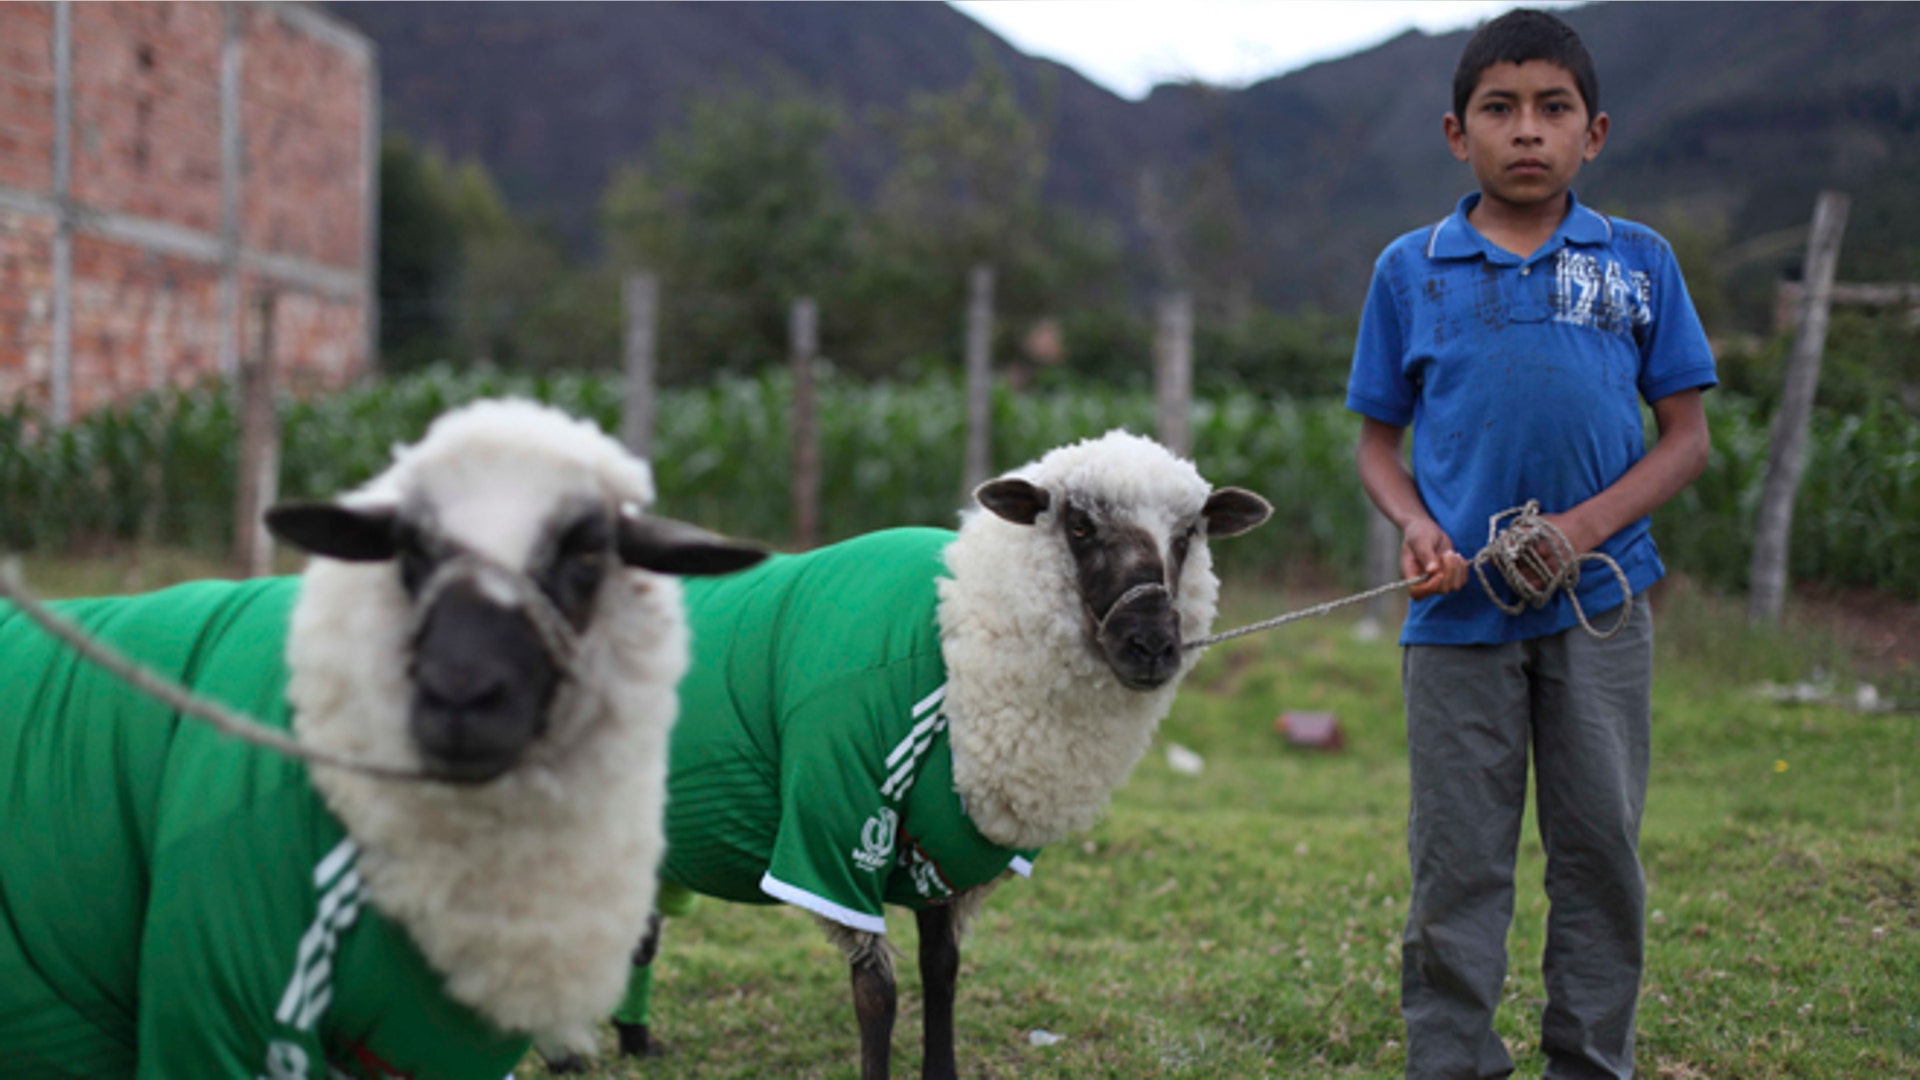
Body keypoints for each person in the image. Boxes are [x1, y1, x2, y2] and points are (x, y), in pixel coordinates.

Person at [1343, 9, 1718, 1078]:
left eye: (1552, 109)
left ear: (1592, 134)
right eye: (1498, 110)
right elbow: (1377, 446)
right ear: (1455, 133)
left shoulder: (1639, 263)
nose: (1526, 131)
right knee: (1457, 864)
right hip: (1455, 616)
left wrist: (1582, 530)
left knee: (1600, 853)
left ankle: (1588, 1060)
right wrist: (1416, 523)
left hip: (1603, 607)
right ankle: (1453, 1059)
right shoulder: (1410, 270)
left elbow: (1685, 440)